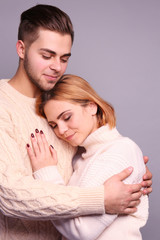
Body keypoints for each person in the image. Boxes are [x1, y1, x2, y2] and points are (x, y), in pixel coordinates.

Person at [0, 4, 151, 240]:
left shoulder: (59, 106)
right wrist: (102, 199)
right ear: (21, 49)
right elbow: (8, 196)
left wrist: (133, 176)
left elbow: (89, 164)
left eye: (64, 58)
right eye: (47, 56)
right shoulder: (3, 104)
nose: (57, 67)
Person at [27, 74, 149, 240]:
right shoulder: (81, 157)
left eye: (67, 117)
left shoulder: (120, 151)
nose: (61, 130)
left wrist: (46, 173)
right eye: (53, 125)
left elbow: (81, 231)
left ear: (92, 106)